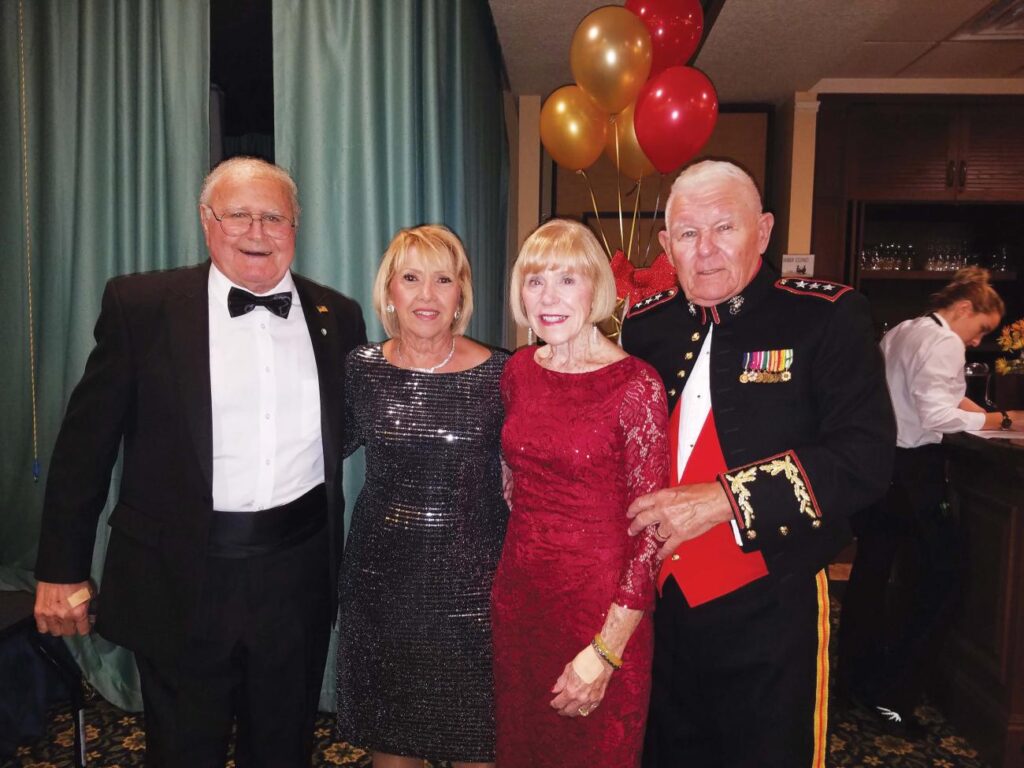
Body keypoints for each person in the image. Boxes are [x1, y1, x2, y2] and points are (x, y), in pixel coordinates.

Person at [33, 156, 367, 767]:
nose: (257, 233)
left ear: (296, 227)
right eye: (239, 215)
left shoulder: (337, 317)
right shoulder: (142, 307)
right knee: (185, 749)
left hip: (296, 576)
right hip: (182, 573)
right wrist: (61, 569)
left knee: (283, 747)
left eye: (274, 217)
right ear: (206, 221)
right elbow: (85, 446)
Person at [618, 159, 895, 767]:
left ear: (764, 232)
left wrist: (722, 499)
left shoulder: (825, 315)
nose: (707, 251)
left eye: (726, 228)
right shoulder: (645, 326)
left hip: (775, 605)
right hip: (664, 610)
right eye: (689, 234)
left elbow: (866, 458)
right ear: (667, 245)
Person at [491, 219, 670, 768]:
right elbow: (516, 471)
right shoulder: (519, 370)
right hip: (521, 603)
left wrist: (606, 650)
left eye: (567, 280)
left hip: (600, 611)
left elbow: (651, 530)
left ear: (596, 287)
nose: (547, 297)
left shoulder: (637, 386)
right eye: (535, 280)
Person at [335, 225, 508, 768]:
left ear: (462, 293)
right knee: (394, 748)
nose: (427, 295)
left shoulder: (503, 372)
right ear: (390, 291)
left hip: (476, 589)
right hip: (383, 586)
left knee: (480, 746)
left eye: (443, 279)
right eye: (411, 279)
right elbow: (313, 449)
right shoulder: (360, 368)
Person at [837, 266, 1022, 730]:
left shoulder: (904, 330)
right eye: (981, 329)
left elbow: (907, 394)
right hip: (914, 474)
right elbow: (935, 411)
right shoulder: (944, 343)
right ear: (963, 309)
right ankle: (895, 695)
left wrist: (980, 412)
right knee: (943, 581)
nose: (978, 341)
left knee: (874, 576)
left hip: (882, 467)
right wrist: (1000, 423)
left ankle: (855, 684)